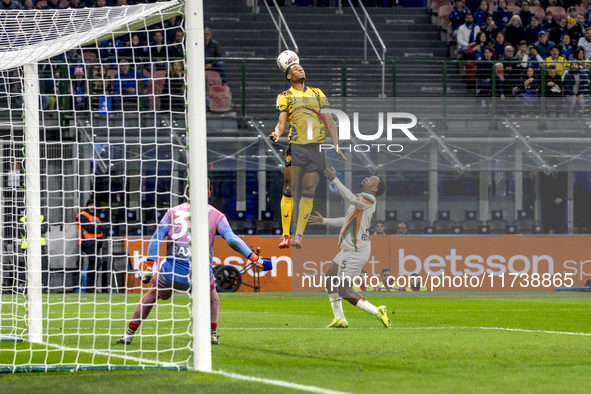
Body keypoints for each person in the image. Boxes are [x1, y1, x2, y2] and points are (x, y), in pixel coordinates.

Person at [117, 180, 272, 346]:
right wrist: (255, 258)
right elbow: (232, 239)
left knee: (154, 295)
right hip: (199, 276)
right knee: (213, 297)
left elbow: (156, 237)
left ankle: (128, 334)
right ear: (209, 193)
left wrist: (148, 266)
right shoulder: (216, 215)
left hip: (171, 274)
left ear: (188, 193)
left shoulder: (172, 212)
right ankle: (211, 335)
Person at [269, 62, 345, 250]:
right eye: (295, 68)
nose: (301, 69)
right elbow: (281, 122)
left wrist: (335, 144)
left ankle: (299, 236)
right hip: (296, 147)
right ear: (288, 76)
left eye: (301, 67)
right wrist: (277, 134)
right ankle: (285, 235)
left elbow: (330, 121)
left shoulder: (317, 93)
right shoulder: (284, 96)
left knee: (309, 190)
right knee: (289, 189)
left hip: (317, 148)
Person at [308, 168, 389, 329]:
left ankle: (377, 311)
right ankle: (339, 318)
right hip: (349, 249)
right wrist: (324, 221)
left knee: (343, 290)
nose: (367, 178)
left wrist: (334, 180)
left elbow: (350, 197)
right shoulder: (361, 201)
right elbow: (345, 221)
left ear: (374, 189)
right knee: (330, 276)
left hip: (355, 251)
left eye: (372, 178)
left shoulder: (369, 199)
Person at [75, 200, 107, 293]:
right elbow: (90, 228)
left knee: (93, 263)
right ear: (87, 206)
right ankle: (90, 286)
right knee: (96, 261)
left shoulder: (95, 216)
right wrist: (98, 229)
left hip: (96, 243)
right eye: (91, 205)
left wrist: (98, 228)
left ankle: (90, 287)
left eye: (94, 205)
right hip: (87, 242)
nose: (93, 206)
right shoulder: (82, 215)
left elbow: (104, 228)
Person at [18, 212, 49, 291]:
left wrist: (31, 228)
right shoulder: (22, 219)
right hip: (27, 247)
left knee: (43, 266)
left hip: (40, 246)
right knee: (27, 267)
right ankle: (25, 286)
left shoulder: (42, 217)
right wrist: (37, 228)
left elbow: (44, 229)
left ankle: (43, 286)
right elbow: (24, 232)